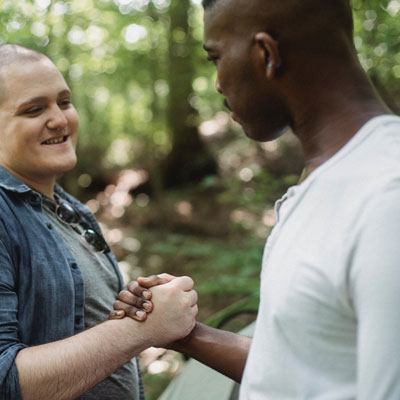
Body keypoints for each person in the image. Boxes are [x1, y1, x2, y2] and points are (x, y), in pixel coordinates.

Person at [113, 0, 400, 398]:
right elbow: (300, 372)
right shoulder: (327, 181)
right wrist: (184, 335)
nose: (217, 83)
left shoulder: (386, 199)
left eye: (215, 57)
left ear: (267, 54)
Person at [0, 43, 198, 400]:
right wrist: (140, 331)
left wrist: (136, 311)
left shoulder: (72, 210)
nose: (59, 119)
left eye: (64, 102)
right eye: (33, 109)